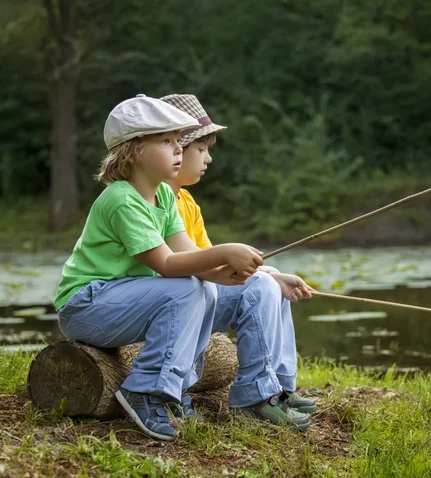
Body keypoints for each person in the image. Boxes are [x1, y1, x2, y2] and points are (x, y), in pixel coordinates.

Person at [54, 94, 263, 441]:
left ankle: (175, 388)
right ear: (133, 151)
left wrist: (221, 273)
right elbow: (167, 265)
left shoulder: (165, 197)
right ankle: (144, 390)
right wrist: (225, 251)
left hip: (120, 302)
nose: (179, 148)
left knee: (204, 288)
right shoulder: (122, 199)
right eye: (166, 141)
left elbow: (186, 254)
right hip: (85, 306)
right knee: (184, 289)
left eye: (178, 140)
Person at [160, 94, 316, 430]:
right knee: (260, 284)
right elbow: (182, 266)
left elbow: (210, 266)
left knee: (269, 282)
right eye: (201, 149)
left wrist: (272, 274)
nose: (209, 158)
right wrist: (260, 277)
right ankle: (254, 399)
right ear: (174, 149)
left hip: (198, 298)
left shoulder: (186, 202)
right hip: (174, 305)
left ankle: (279, 388)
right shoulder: (153, 200)